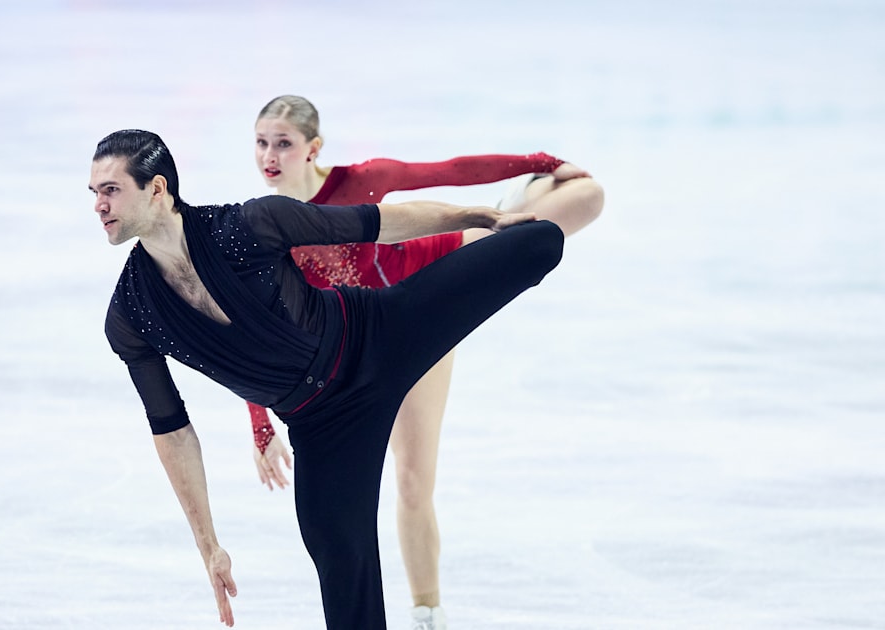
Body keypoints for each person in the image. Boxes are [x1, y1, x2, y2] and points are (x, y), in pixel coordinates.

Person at [95, 128, 583, 629]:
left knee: (539, 241)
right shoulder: (132, 314)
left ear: (157, 189)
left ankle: (513, 206)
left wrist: (479, 216)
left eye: (111, 189)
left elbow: (376, 224)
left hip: (379, 335)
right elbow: (172, 429)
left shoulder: (247, 224)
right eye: (94, 193)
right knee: (340, 563)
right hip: (322, 426)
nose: (99, 205)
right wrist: (209, 546)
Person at [245, 95, 604, 629]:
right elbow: (255, 328)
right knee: (402, 483)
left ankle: (427, 616)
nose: (269, 156)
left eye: (283, 143)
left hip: (433, 293)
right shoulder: (267, 228)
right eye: (261, 143)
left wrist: (543, 162)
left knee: (589, 196)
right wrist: (260, 425)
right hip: (367, 346)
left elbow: (452, 171)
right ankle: (425, 613)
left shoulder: (360, 183)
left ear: (313, 148)